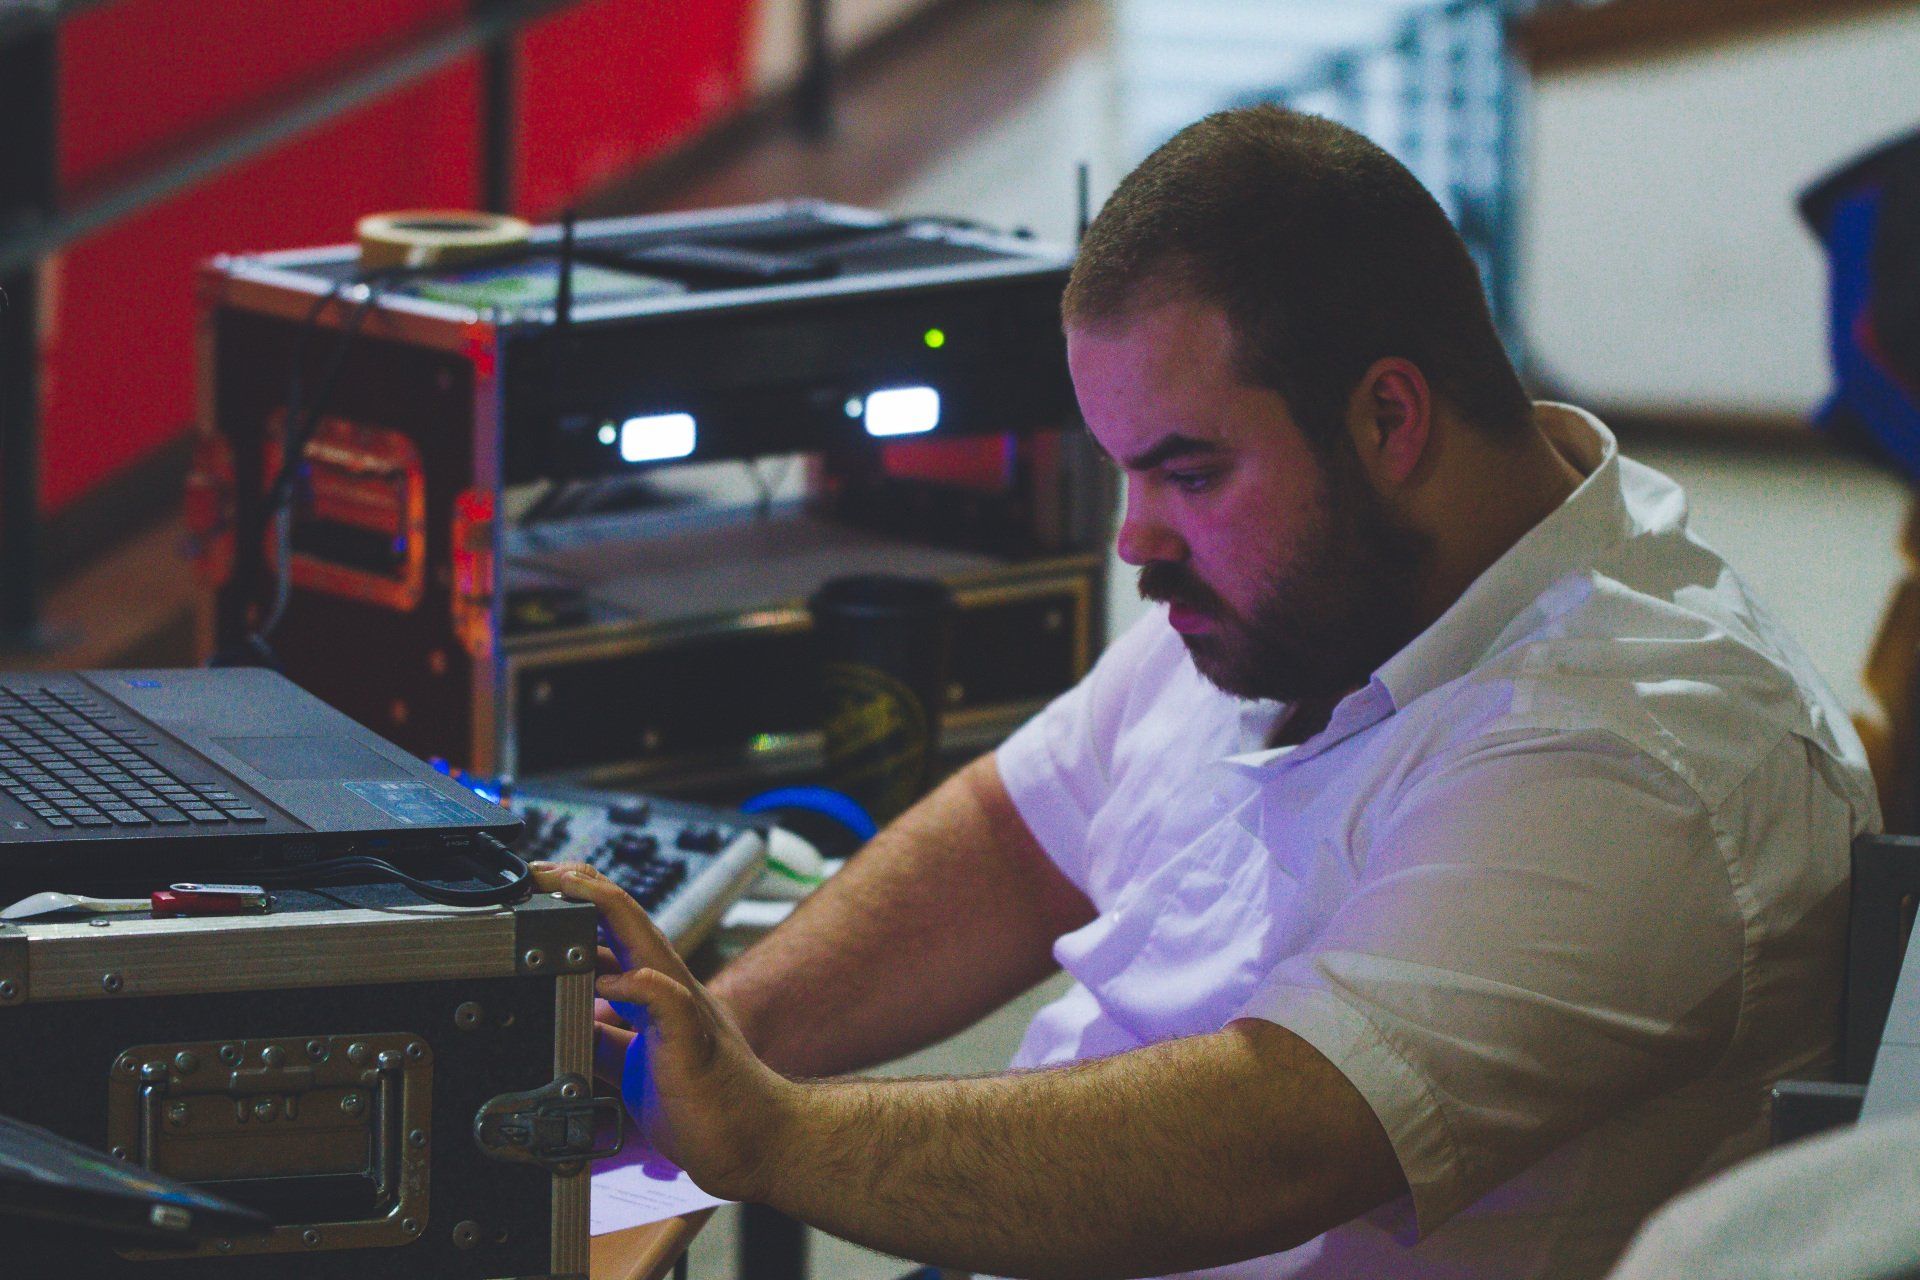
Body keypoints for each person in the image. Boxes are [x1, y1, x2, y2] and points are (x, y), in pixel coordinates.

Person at [535, 104, 1880, 1279]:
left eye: (1186, 473)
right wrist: (705, 1045)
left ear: (1389, 419)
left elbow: (1274, 1141)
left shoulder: (1643, 753)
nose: (1137, 541)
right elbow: (1015, 837)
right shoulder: (1312, 587)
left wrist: (768, 1132)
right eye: (1126, 473)